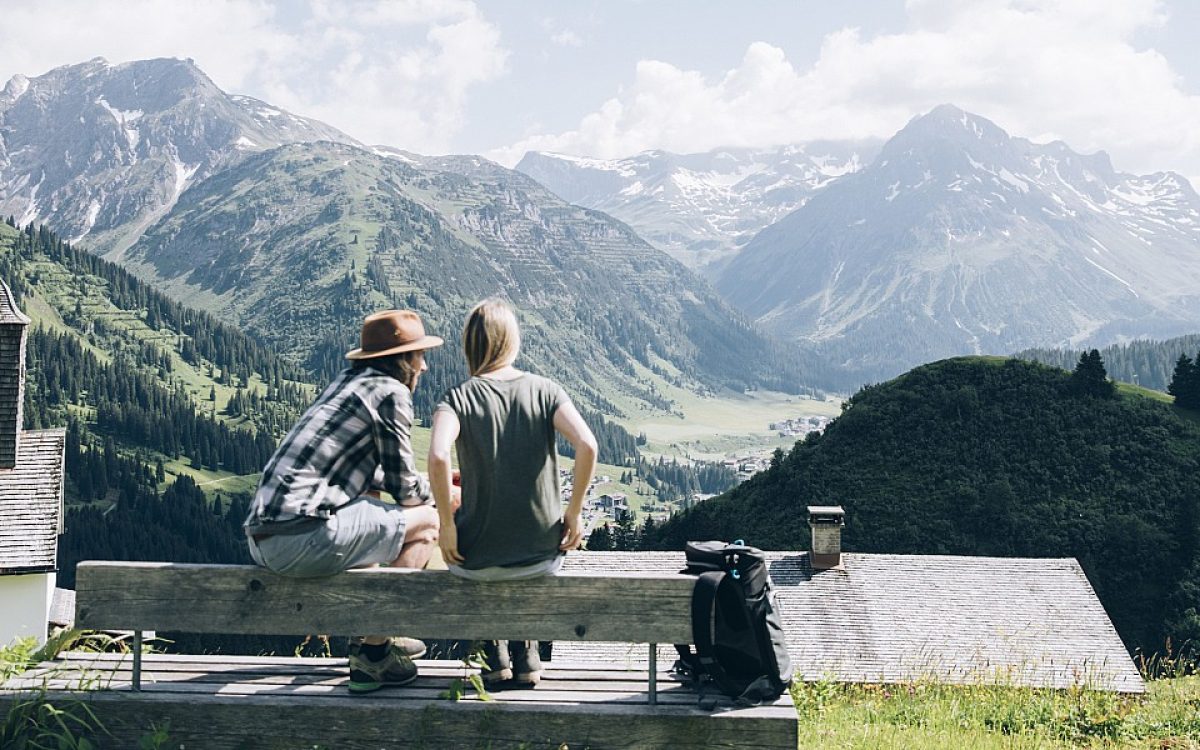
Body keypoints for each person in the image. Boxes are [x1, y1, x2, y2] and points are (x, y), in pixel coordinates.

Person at [244, 309, 447, 694]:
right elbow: (405, 491)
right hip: (304, 537)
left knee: (371, 501)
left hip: (264, 538)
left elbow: (369, 477)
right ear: (404, 359)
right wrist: (441, 494)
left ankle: (372, 633)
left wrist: (430, 484)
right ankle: (374, 651)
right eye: (420, 356)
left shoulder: (348, 384)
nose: (424, 367)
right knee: (429, 524)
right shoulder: (392, 392)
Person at [428, 298, 598, 687]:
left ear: (469, 346)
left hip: (476, 560)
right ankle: (527, 650)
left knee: (475, 557)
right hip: (541, 554)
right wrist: (574, 512)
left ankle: (495, 653)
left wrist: (445, 524)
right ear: (512, 341)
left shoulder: (457, 398)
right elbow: (588, 445)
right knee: (521, 563)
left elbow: (437, 455)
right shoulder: (546, 390)